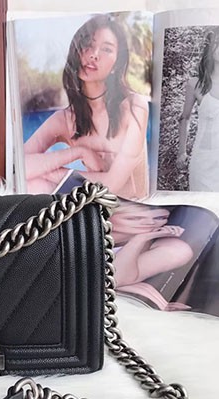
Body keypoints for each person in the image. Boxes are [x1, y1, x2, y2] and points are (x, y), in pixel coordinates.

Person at [24, 14, 149, 199]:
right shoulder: (65, 119)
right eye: (88, 44)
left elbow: (112, 184)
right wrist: (78, 152)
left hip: (133, 206)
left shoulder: (134, 107)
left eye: (106, 49)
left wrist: (54, 173)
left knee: (38, 181)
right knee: (32, 185)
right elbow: (21, 167)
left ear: (117, 65)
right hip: (91, 204)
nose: (94, 54)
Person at [110, 202, 194, 311]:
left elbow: (116, 279)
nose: (150, 223)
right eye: (134, 218)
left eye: (160, 218)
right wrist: (139, 289)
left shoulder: (172, 248)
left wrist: (139, 240)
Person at [177, 27, 219, 191]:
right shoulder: (195, 83)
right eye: (217, 43)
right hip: (203, 162)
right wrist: (182, 152)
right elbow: (185, 118)